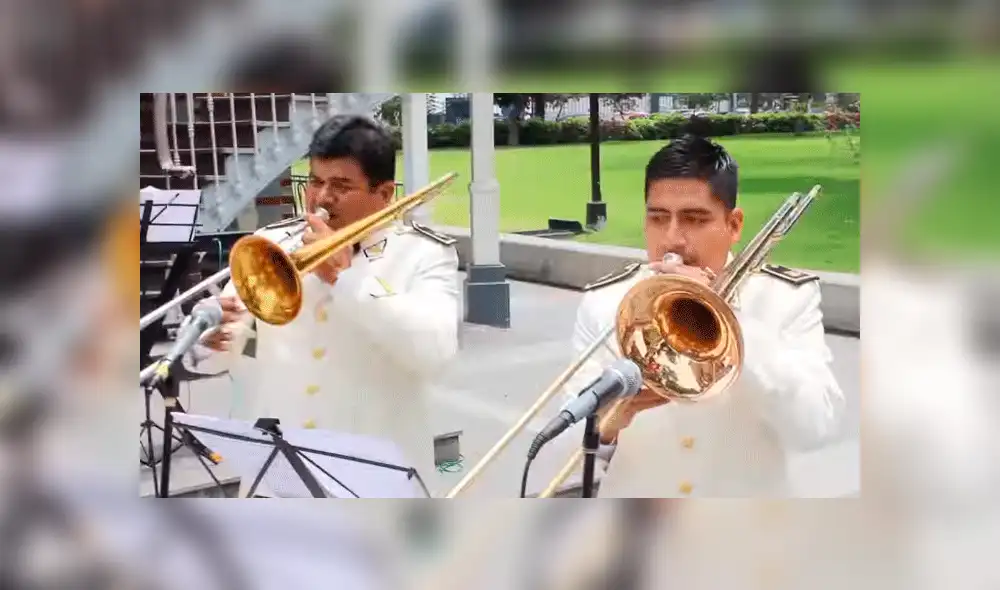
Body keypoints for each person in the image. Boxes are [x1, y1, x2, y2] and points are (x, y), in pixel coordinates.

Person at [559, 125, 845, 497]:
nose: (673, 239)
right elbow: (565, 443)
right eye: (658, 218)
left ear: (734, 225)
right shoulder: (607, 301)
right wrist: (612, 419)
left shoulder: (786, 297)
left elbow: (817, 426)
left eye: (695, 219)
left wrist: (734, 323)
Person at [185, 115, 461, 497]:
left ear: (384, 194)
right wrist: (210, 340)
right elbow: (214, 357)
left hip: (376, 482)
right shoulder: (273, 243)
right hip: (278, 476)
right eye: (315, 181)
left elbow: (436, 352)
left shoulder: (424, 254)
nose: (321, 198)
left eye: (341, 185)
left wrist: (347, 279)